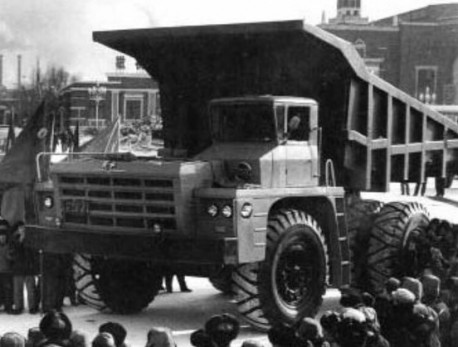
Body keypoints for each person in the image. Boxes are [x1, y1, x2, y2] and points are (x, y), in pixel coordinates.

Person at [10, 221, 39, 314]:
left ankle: (32, 306)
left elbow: (34, 253)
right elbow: (13, 252)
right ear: (18, 230)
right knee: (17, 289)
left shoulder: (31, 240)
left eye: (24, 228)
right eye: (21, 228)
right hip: (18, 267)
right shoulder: (13, 239)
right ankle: (18, 306)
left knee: (31, 289)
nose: (22, 230)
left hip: (29, 267)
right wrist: (20, 241)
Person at [0, 218, 13, 313]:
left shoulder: (9, 245)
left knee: (7, 289)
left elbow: (11, 257)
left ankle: (8, 306)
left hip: (7, 270)